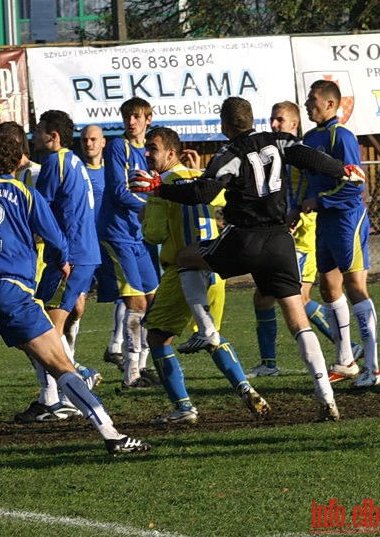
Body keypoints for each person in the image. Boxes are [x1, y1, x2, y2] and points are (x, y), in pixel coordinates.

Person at [0, 127, 150, 467]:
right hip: (13, 291)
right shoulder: (25, 194)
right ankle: (111, 435)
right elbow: (57, 242)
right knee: (61, 365)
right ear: (19, 158)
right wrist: (58, 265)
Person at [130, 96, 365, 421]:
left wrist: (160, 188)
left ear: (225, 126)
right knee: (297, 320)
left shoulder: (229, 154)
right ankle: (327, 397)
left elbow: (202, 193)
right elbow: (310, 157)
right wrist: (344, 171)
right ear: (253, 119)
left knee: (186, 257)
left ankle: (207, 329)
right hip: (281, 241)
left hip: (244, 239)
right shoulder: (279, 141)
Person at [140, 127, 270, 424]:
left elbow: (155, 234)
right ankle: (246, 388)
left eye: (153, 148)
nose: (147, 153)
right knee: (211, 336)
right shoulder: (204, 181)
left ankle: (183, 407)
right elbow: (223, 200)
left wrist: (146, 213)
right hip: (215, 271)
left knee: (158, 337)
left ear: (170, 153)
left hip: (182, 273)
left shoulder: (162, 188)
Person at [247, 102, 362, 377]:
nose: (274, 125)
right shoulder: (274, 152)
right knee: (263, 297)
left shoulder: (303, 152)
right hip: (280, 232)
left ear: (294, 125)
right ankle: (269, 364)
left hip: (302, 233)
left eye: (280, 120)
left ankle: (347, 347)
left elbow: (315, 187)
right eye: (272, 120)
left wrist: (299, 213)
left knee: (297, 296)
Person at [14, 111, 103, 422]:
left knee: (46, 330)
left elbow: (42, 214)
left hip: (71, 256)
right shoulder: (73, 161)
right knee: (44, 326)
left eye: (38, 131)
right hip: (80, 254)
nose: (34, 137)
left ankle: (73, 385)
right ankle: (58, 395)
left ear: (52, 136)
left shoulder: (55, 162)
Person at [302, 80, 380, 388]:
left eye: (313, 99)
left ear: (331, 105)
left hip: (347, 218)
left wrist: (319, 200)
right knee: (329, 287)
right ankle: (346, 360)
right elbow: (308, 182)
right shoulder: (310, 138)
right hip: (324, 221)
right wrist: (298, 207)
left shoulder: (342, 136)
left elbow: (355, 183)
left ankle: (373, 367)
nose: (308, 104)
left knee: (355, 287)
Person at [95, 97, 160, 390]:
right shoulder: (118, 147)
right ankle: (130, 373)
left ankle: (143, 366)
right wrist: (149, 206)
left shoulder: (149, 152)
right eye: (127, 116)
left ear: (147, 118)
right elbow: (119, 191)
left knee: (152, 301)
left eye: (136, 116)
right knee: (135, 301)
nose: (130, 121)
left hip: (141, 236)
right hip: (117, 234)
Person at [79, 125, 126, 371]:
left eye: (93, 139)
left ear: (103, 142)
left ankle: (116, 346)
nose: (89, 143)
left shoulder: (112, 172)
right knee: (75, 303)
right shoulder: (75, 170)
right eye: (85, 139)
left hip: (108, 242)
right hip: (81, 246)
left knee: (126, 293)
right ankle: (67, 355)